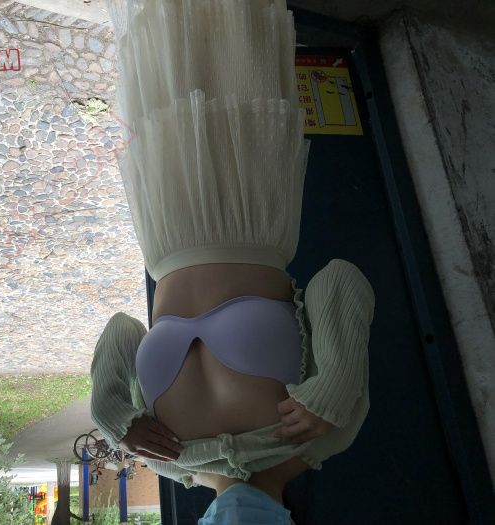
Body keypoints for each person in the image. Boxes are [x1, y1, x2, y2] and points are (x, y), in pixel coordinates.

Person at [90, 0, 376, 523]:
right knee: (233, 48)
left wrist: (113, 416)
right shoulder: (323, 432)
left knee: (166, 55)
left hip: (169, 232)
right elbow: (339, 279)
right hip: (253, 210)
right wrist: (333, 385)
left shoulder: (161, 455)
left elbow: (121, 331)